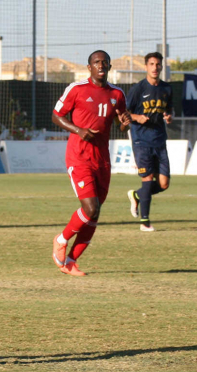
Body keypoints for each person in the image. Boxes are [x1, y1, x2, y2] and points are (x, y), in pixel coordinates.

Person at [51, 50, 131, 276]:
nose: (101, 66)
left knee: (95, 214)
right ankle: (61, 240)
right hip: (79, 157)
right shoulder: (77, 89)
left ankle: (70, 262)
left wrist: (124, 124)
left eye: (105, 62)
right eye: (96, 62)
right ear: (89, 67)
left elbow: (121, 123)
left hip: (102, 160)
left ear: (110, 66)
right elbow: (56, 116)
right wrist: (78, 130)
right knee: (91, 208)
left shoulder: (117, 94)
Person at [125, 51, 173, 232]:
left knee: (163, 184)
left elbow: (169, 110)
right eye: (151, 64)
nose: (155, 67)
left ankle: (137, 195)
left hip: (159, 141)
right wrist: (137, 117)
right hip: (141, 140)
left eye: (158, 64)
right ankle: (144, 222)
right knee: (147, 178)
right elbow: (124, 113)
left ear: (161, 67)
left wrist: (169, 116)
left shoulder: (167, 89)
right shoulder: (138, 89)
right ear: (146, 66)